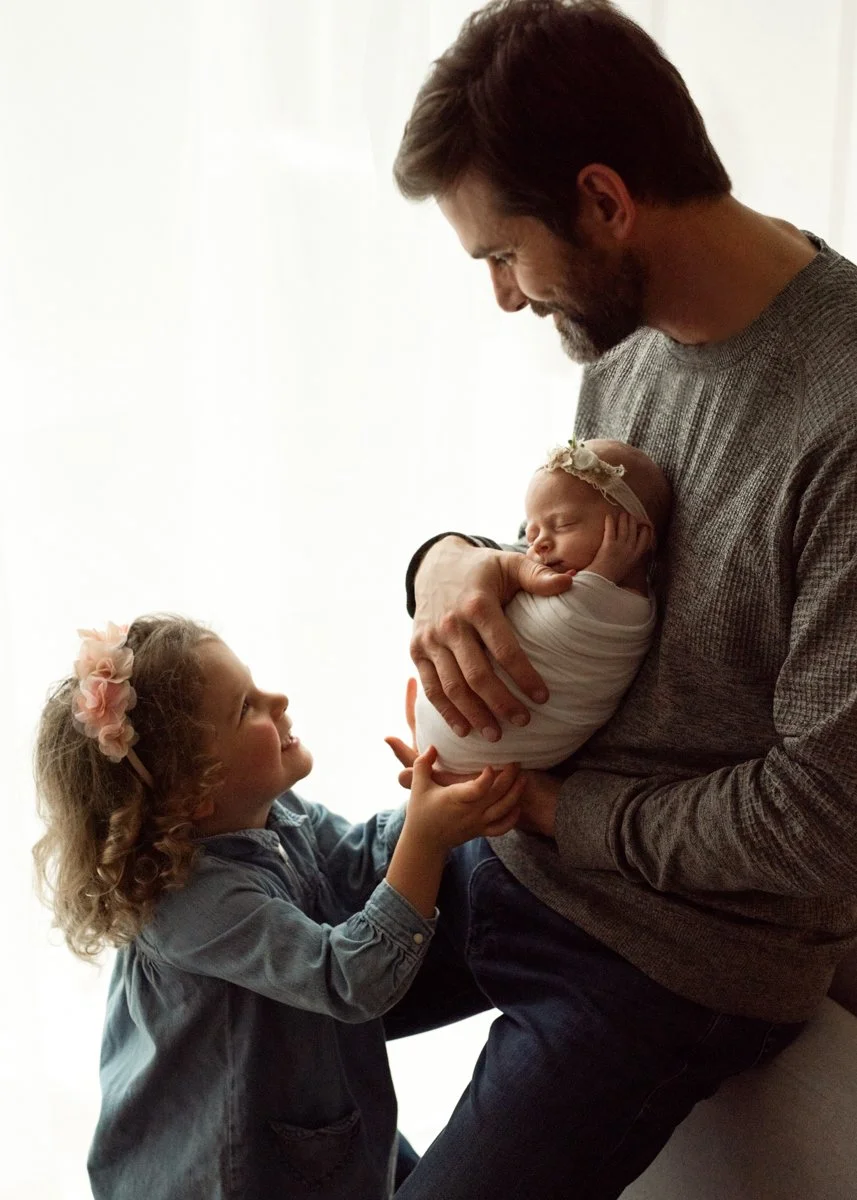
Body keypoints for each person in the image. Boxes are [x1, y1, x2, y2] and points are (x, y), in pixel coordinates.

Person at [384, 0, 857, 1197]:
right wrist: (449, 563)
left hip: (667, 962)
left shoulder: (842, 420)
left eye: (502, 253)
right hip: (513, 853)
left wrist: (552, 813)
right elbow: (585, 563)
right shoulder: (626, 350)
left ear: (603, 200)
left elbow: (817, 816)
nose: (501, 296)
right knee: (202, 963)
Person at [32, 615, 525, 1200]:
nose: (279, 699)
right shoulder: (191, 902)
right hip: (232, 1171)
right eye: (246, 707)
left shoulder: (270, 810)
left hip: (311, 1115)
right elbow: (351, 979)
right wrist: (426, 836)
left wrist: (431, 805)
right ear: (194, 788)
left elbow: (354, 863)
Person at [414, 437, 668, 771]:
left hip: (487, 763)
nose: (540, 544)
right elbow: (510, 562)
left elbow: (575, 612)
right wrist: (437, 558)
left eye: (563, 524)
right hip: (446, 747)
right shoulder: (553, 559)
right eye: (533, 533)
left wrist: (607, 571)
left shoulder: (624, 610)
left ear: (636, 532)